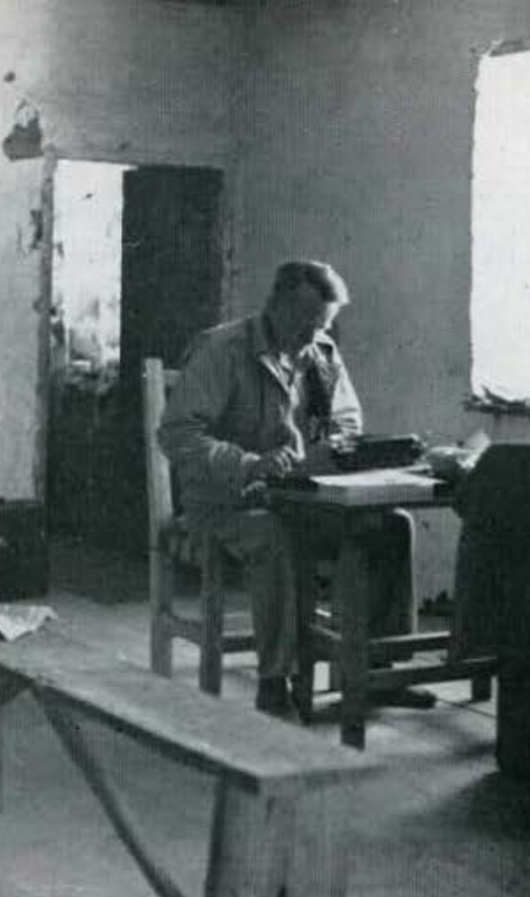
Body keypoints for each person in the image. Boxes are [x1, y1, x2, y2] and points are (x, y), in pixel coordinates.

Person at [158, 260, 407, 716]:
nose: (314, 338)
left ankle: (378, 672)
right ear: (277, 305)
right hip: (223, 504)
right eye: (308, 324)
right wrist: (251, 464)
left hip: (295, 498)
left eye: (324, 326)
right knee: (273, 534)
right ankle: (275, 682)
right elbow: (177, 435)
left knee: (392, 526)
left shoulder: (320, 352)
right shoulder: (223, 349)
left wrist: (331, 450)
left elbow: (349, 422)